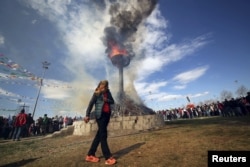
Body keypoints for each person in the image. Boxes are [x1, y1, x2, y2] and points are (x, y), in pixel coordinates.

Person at [84, 80, 116, 165]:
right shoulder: (96, 93)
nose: (103, 88)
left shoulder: (108, 92)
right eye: (101, 87)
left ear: (106, 87)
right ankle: (108, 157)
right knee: (103, 135)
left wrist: (107, 100)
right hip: (100, 116)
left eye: (104, 87)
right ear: (99, 86)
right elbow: (90, 104)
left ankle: (90, 154)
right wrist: (87, 115)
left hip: (107, 115)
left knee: (99, 135)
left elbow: (112, 101)